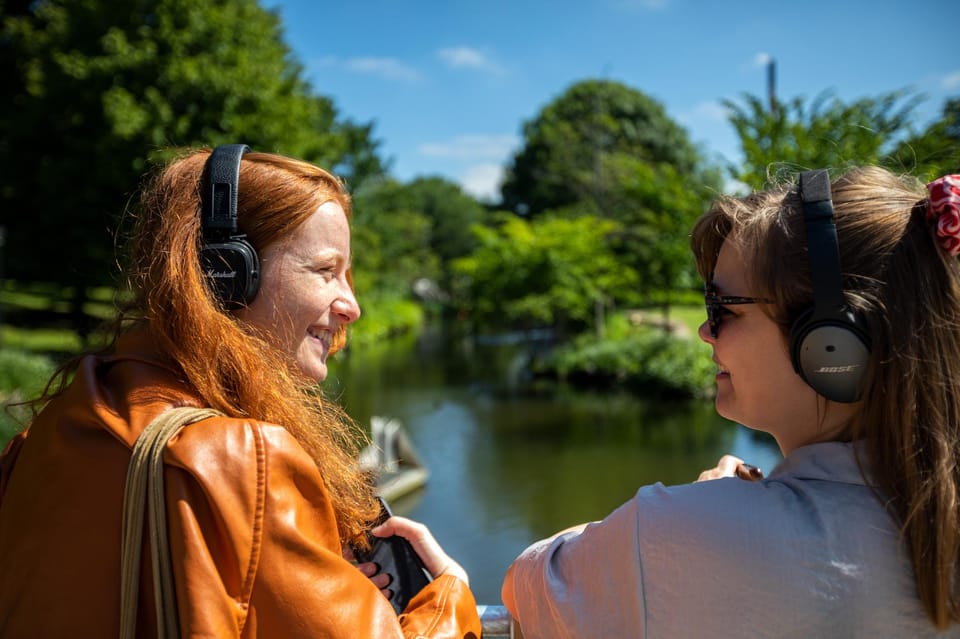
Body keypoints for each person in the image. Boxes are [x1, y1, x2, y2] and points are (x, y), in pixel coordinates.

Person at [0, 145, 481, 638]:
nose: (351, 306)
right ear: (225, 274)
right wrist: (448, 595)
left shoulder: (45, 433)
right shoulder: (244, 459)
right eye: (324, 271)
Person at [501, 166, 960, 637]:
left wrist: (709, 506)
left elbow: (530, 583)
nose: (704, 330)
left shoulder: (680, 534)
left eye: (724, 309)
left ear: (834, 344)